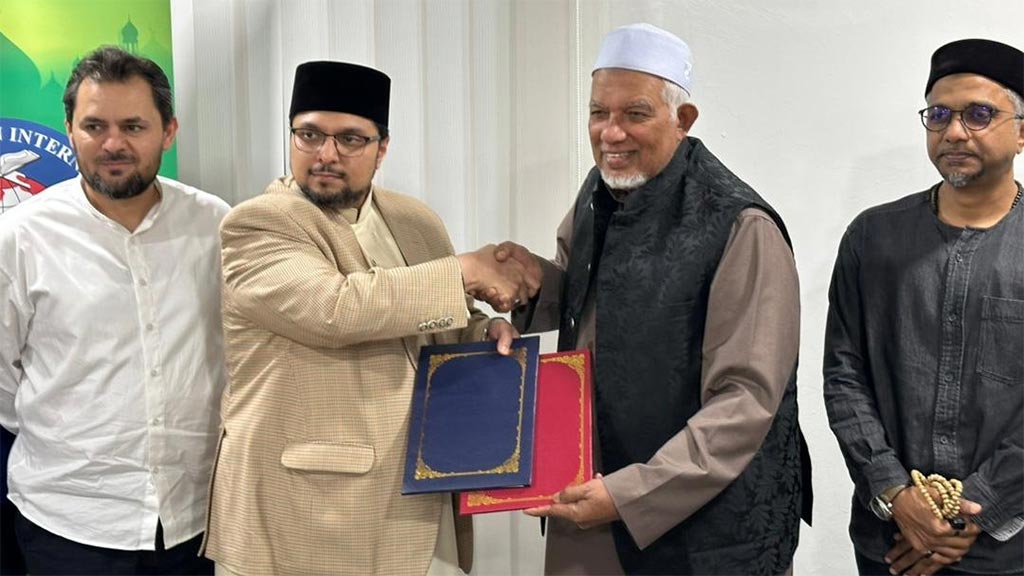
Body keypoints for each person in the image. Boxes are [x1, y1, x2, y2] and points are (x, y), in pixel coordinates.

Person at [497, 23, 812, 575]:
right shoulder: (598, 194)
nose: (610, 134)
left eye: (634, 114)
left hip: (706, 534)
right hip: (596, 503)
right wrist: (519, 284)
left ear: (682, 120)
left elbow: (744, 404)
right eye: (599, 113)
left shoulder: (740, 225)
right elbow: (586, 298)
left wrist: (628, 495)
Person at [201, 60, 533, 576]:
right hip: (306, 511)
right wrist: (466, 270)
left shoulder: (413, 220)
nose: (326, 154)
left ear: (382, 148)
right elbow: (335, 309)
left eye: (351, 139)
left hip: (421, 496)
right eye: (309, 135)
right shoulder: (258, 224)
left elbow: (437, 320)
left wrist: (481, 330)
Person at [0, 46, 228, 575]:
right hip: (69, 524)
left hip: (193, 520)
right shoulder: (20, 237)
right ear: (69, 128)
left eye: (134, 125)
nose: (113, 144)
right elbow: (5, 384)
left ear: (168, 132)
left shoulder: (215, 224)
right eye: (94, 125)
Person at [824, 38, 1024, 576]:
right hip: (888, 545)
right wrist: (894, 492)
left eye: (980, 114)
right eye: (939, 115)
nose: (955, 131)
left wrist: (969, 514)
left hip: (1007, 552)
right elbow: (844, 376)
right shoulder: (873, 238)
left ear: (1023, 131)